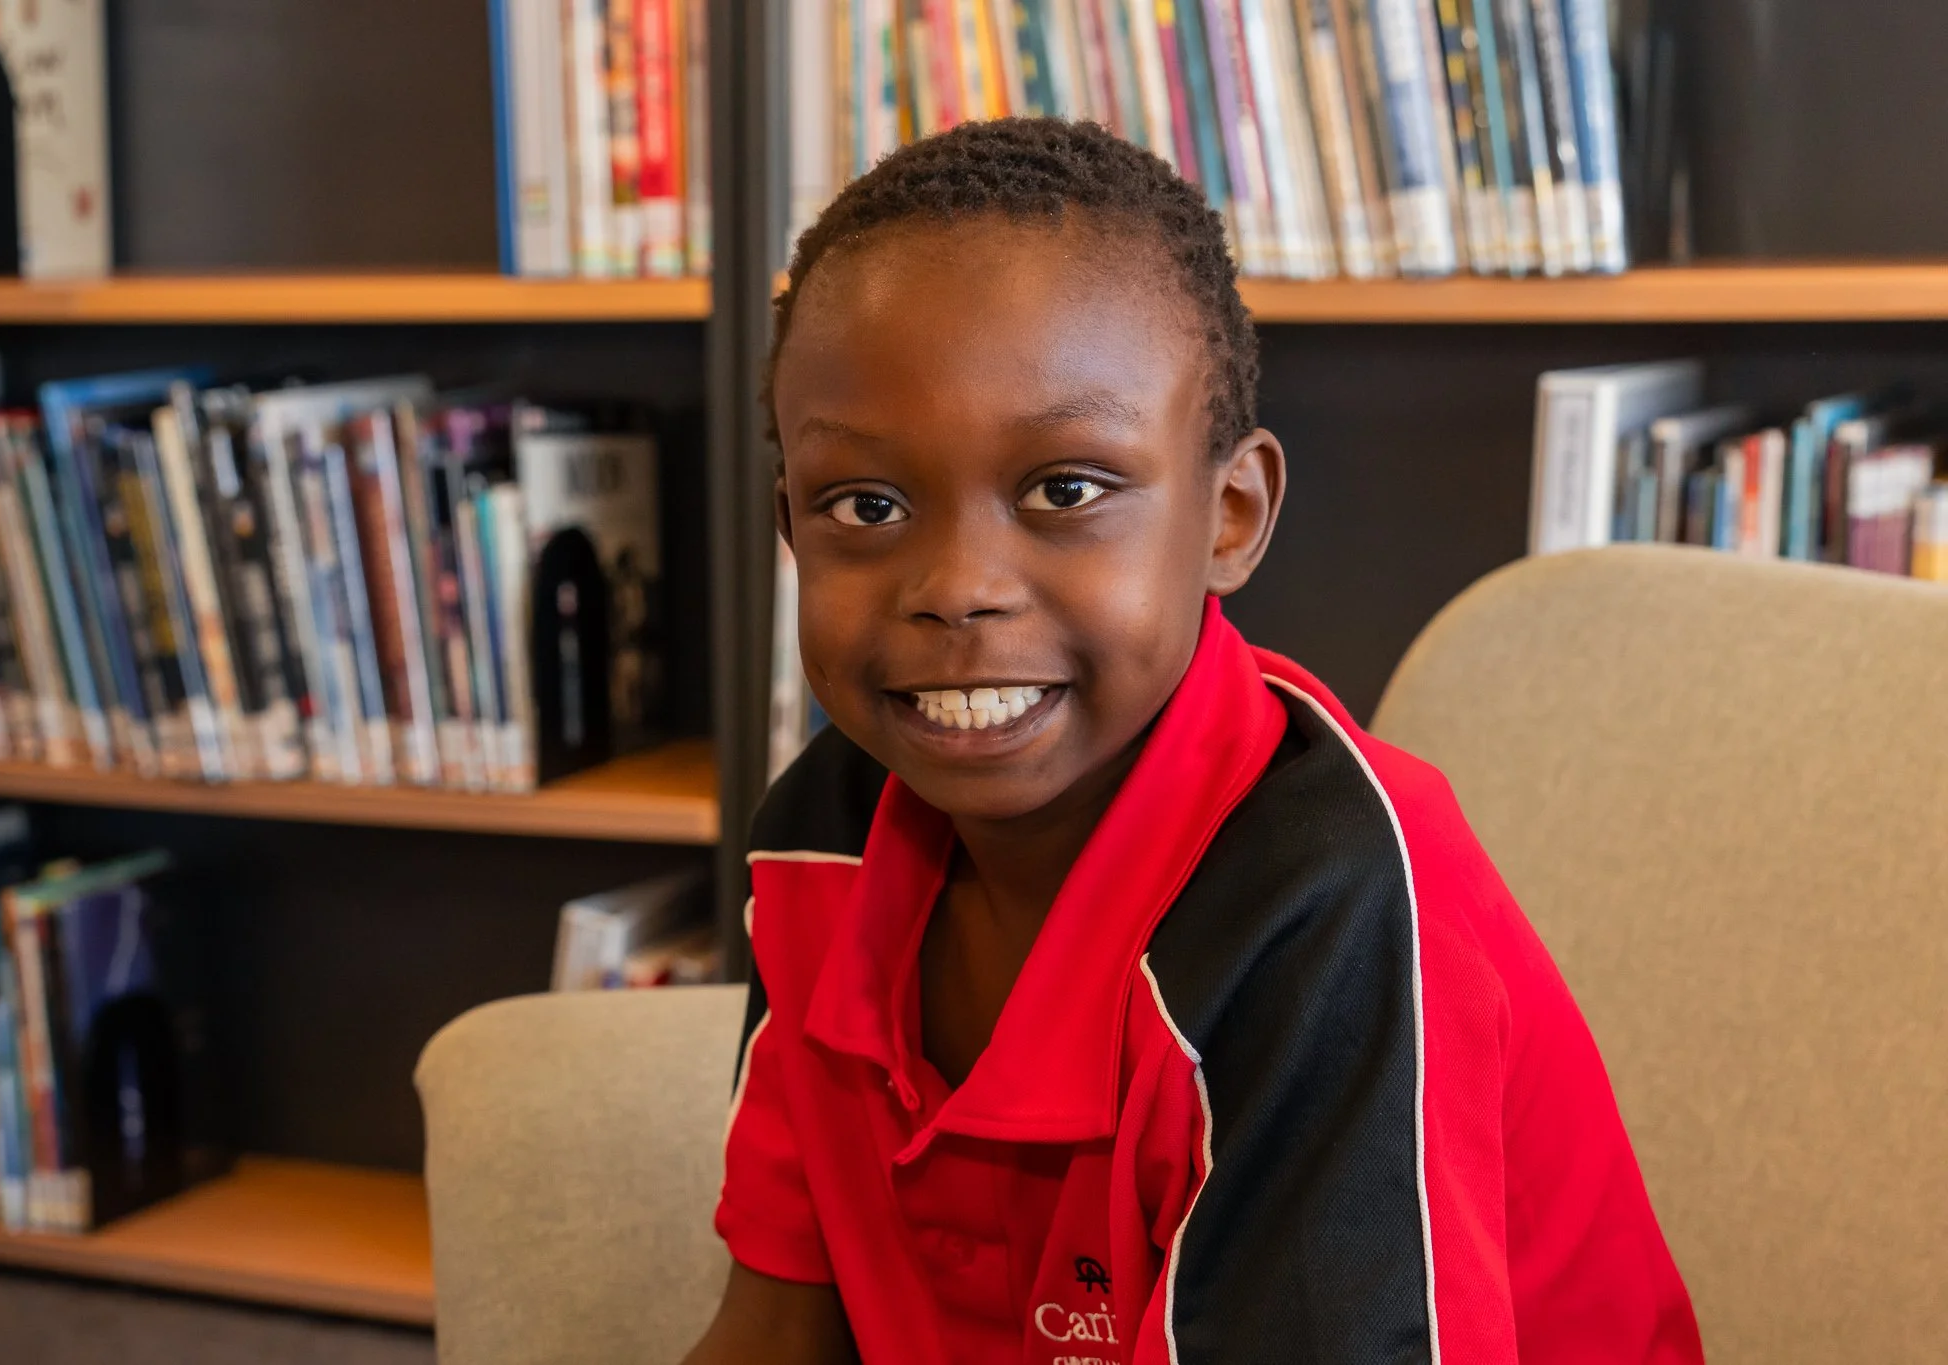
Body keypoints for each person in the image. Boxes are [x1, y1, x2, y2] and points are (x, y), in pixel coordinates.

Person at [688, 118, 1702, 1365]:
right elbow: (776, 1331)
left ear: (1229, 516)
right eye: (867, 505)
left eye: (1064, 489)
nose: (956, 587)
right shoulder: (818, 837)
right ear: (790, 520)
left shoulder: (1323, 904)